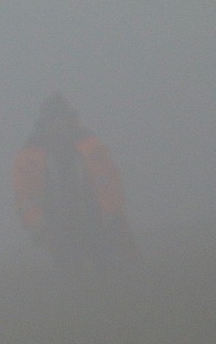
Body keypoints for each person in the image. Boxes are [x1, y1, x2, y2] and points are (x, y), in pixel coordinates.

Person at [13, 94, 135, 277]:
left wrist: (117, 218)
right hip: (59, 232)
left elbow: (111, 182)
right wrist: (42, 230)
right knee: (76, 285)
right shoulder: (30, 156)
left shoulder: (91, 145)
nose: (57, 123)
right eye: (52, 118)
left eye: (60, 117)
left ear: (68, 117)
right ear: (44, 121)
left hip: (97, 225)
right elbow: (25, 198)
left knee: (111, 279)